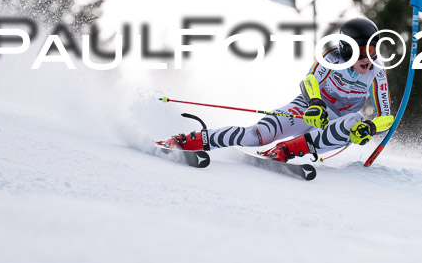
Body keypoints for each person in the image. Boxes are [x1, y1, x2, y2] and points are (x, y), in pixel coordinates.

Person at [161, 17, 394, 162]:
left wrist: (370, 127)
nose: (369, 58)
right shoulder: (331, 58)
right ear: (347, 49)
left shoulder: (377, 72)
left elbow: (387, 116)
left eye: (374, 50)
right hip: (310, 110)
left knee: (354, 119)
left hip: (337, 127)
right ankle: (186, 141)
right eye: (363, 51)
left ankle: (286, 150)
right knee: (257, 135)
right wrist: (315, 103)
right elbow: (309, 82)